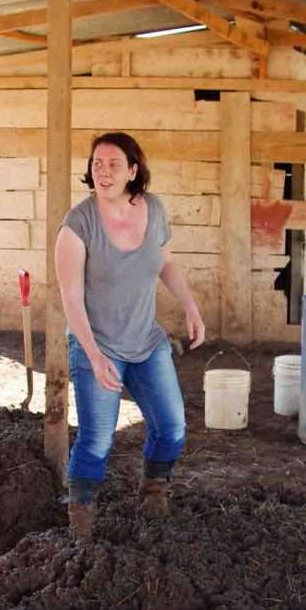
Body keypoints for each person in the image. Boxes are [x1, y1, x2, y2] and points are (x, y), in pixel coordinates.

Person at [55, 132, 205, 542]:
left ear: (132, 171)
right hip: (96, 344)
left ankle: (153, 492)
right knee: (97, 439)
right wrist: (93, 355)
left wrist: (190, 307)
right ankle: (81, 526)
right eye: (97, 164)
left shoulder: (153, 210)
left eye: (113, 165)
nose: (102, 172)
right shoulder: (77, 225)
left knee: (172, 426)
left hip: (146, 341)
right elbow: (70, 299)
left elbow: (166, 264)